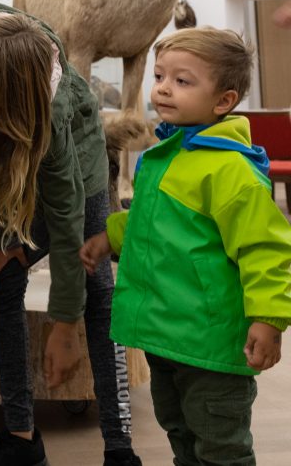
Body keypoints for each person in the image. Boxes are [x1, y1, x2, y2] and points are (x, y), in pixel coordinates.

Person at [0, 3, 141, 466]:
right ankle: (21, 438)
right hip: (0, 151)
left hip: (75, 153)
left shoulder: (53, 116)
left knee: (97, 288)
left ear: (7, 100)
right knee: (1, 276)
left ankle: (119, 449)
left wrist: (63, 323)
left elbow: (67, 216)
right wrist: (0, 235)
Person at [80, 27, 291, 465]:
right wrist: (110, 237)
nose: (162, 88)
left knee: (221, 446)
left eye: (182, 80)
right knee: (180, 435)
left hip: (211, 343)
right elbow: (155, 222)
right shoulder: (168, 154)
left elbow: (266, 249)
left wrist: (269, 319)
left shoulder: (229, 169)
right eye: (160, 76)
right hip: (167, 335)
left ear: (223, 102)